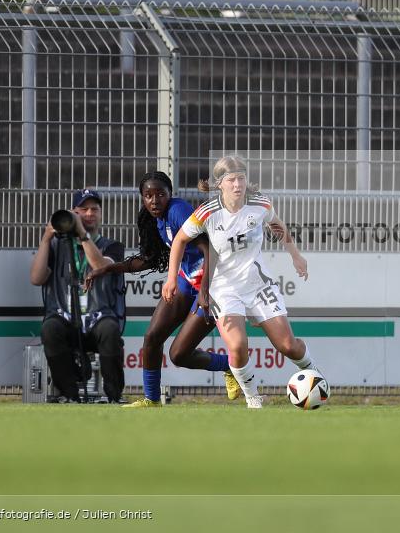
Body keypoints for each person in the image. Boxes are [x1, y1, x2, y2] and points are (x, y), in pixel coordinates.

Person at [162, 155, 317, 409]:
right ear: (220, 184)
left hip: (258, 285)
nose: (237, 185)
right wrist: (171, 279)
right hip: (224, 289)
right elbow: (179, 240)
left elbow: (277, 227)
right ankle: (253, 397)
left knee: (288, 345)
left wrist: (296, 256)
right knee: (237, 345)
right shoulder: (207, 212)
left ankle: (315, 376)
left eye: (241, 178)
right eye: (231, 180)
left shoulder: (260, 205)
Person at [86, 171, 241, 408]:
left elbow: (210, 249)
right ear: (142, 198)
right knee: (152, 337)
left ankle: (232, 366)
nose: (154, 200)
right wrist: (107, 269)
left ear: (170, 194)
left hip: (215, 283)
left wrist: (205, 291)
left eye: (160, 194)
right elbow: (148, 259)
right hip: (187, 280)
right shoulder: (154, 219)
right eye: (148, 195)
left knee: (179, 354)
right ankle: (152, 399)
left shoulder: (177, 211)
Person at [29, 189, 126, 403]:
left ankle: (113, 397)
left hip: (98, 318)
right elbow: (36, 278)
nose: (89, 213)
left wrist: (82, 234)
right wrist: (46, 239)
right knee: (49, 329)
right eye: (83, 210)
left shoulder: (113, 246)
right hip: (65, 318)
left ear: (100, 214)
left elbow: (100, 265)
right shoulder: (56, 246)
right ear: (74, 212)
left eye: (95, 209)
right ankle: (69, 395)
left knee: (110, 331)